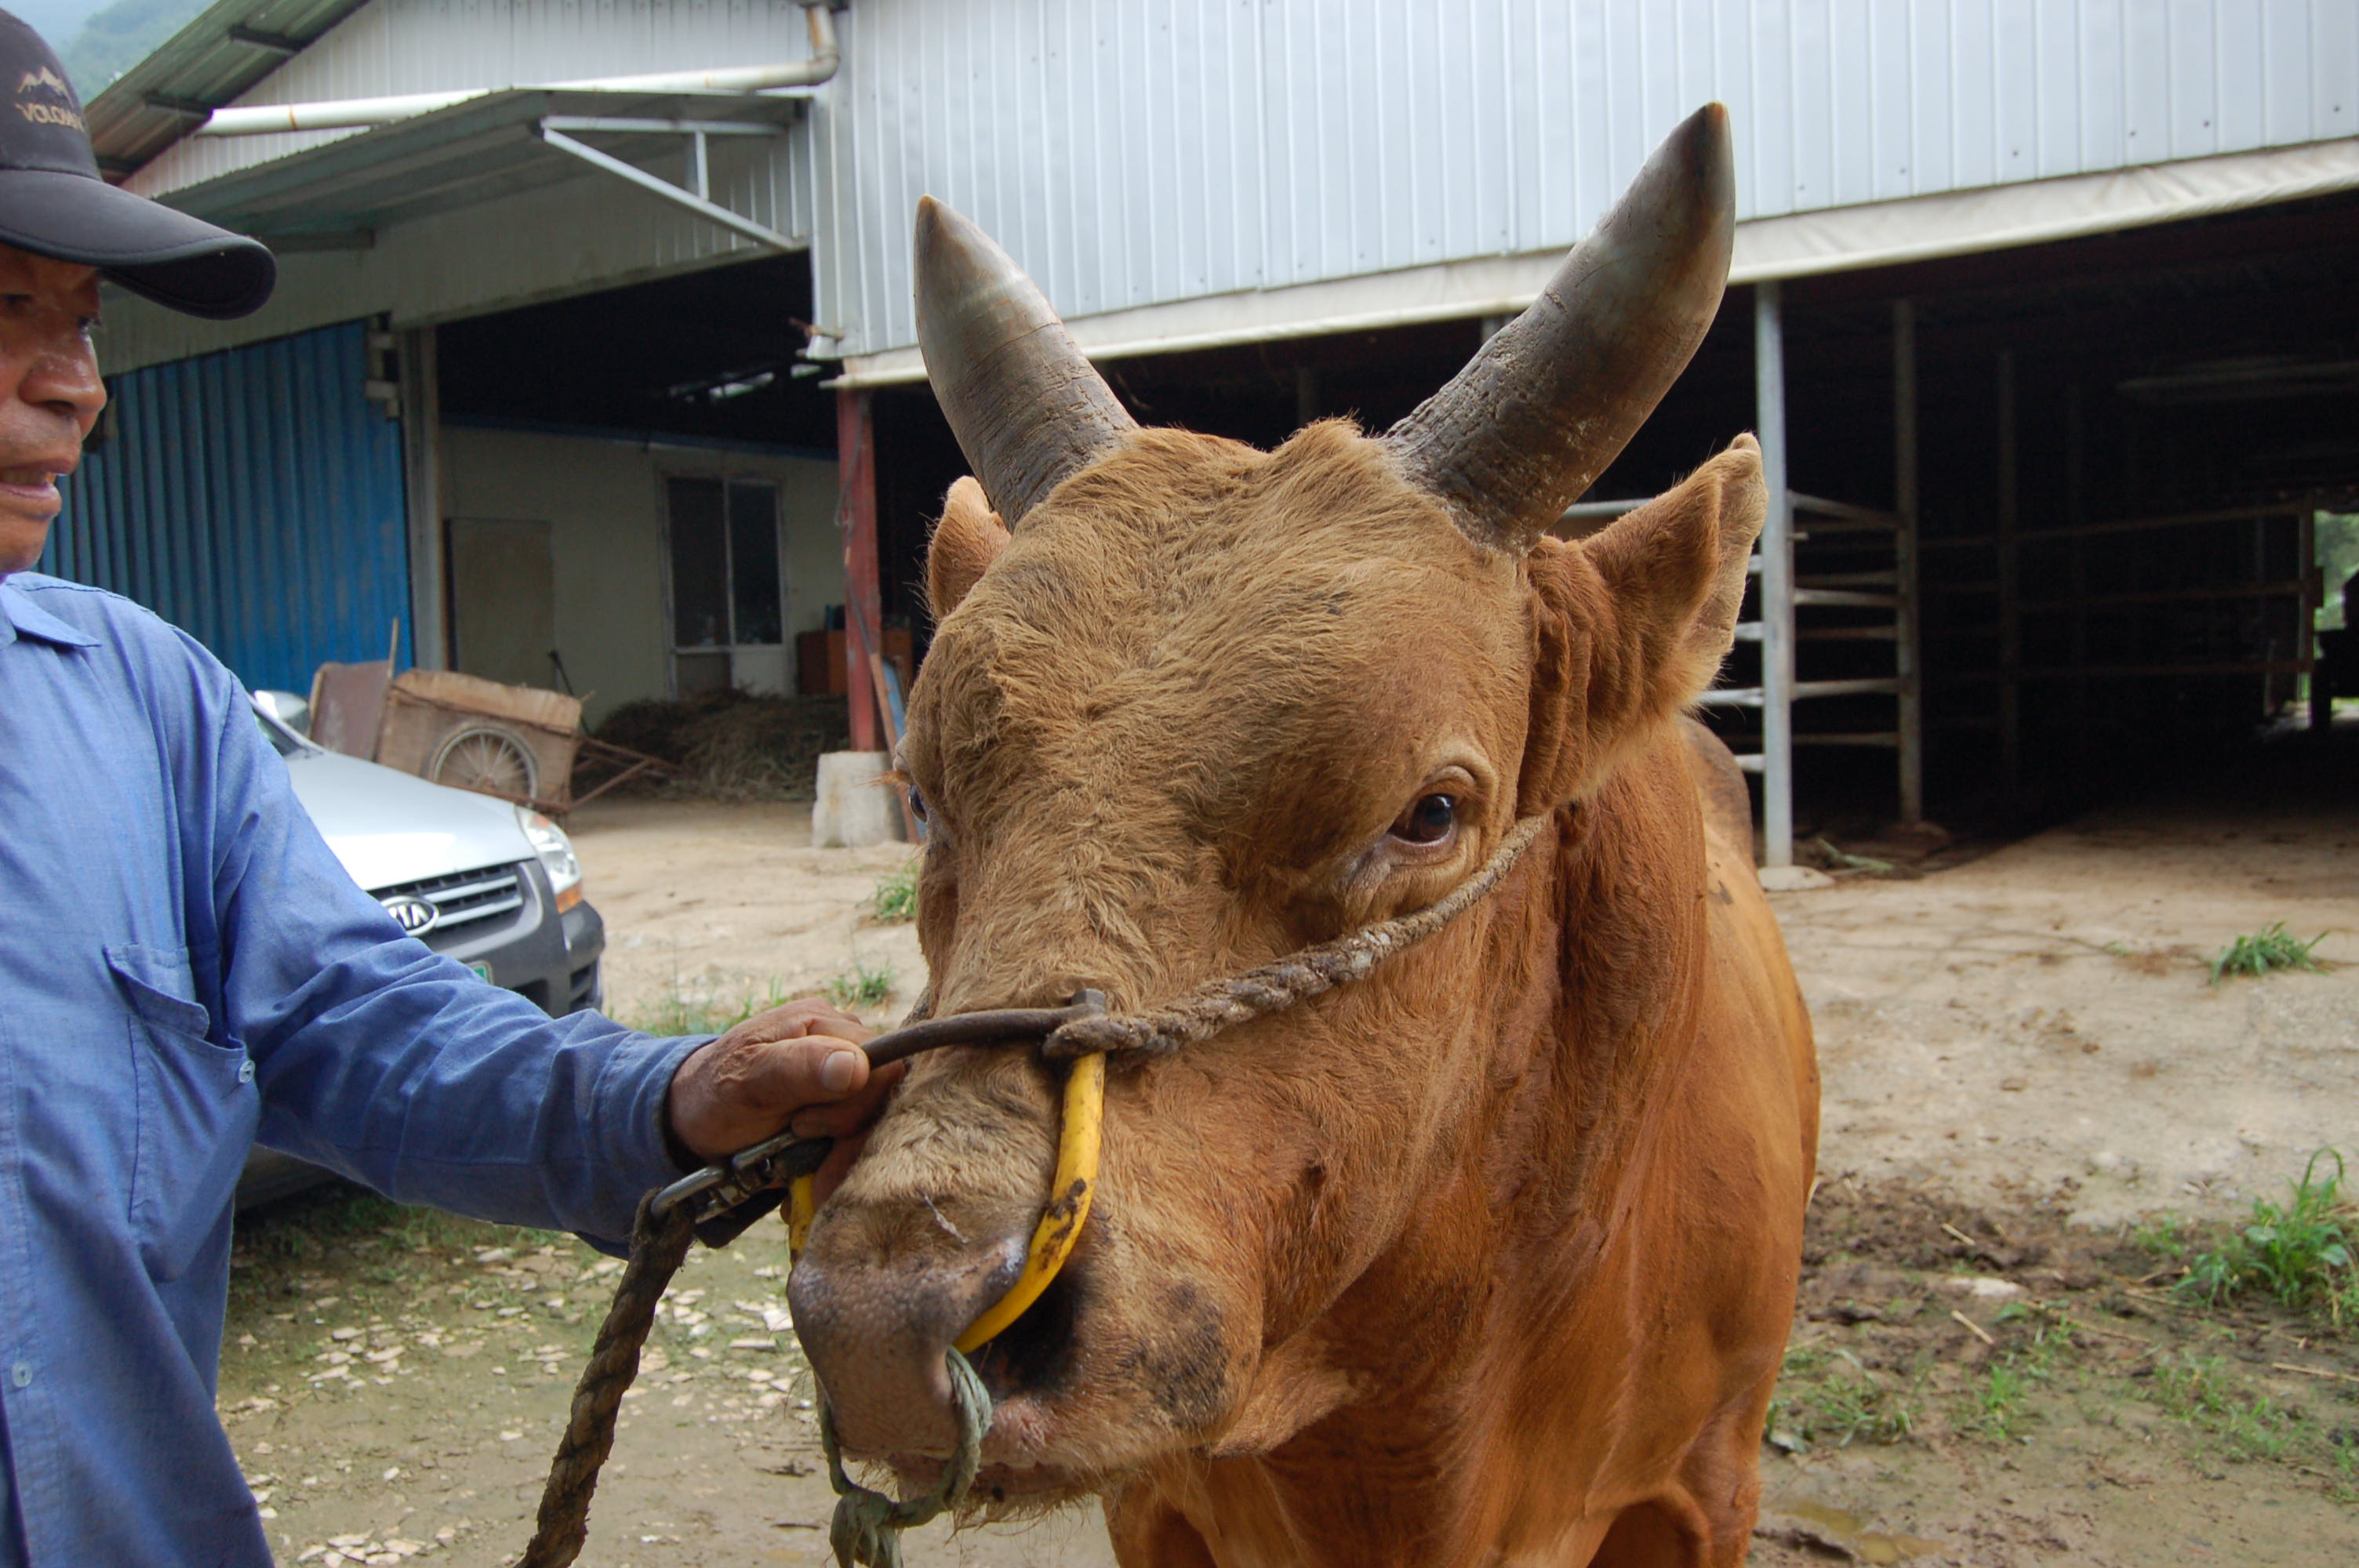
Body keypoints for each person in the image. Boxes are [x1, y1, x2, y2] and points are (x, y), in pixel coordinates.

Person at [0, 13, 894, 1562]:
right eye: (10, 306)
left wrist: (662, 1099)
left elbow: (352, 1017)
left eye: (84, 321)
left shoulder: (143, 705)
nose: (79, 386)